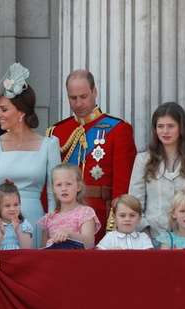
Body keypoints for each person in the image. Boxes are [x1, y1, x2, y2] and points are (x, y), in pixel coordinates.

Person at [46, 69, 137, 241]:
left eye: (84, 96)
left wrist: (116, 221)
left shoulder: (117, 129)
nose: (79, 103)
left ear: (94, 92)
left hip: (101, 215)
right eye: (73, 98)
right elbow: (48, 183)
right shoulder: (57, 132)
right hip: (63, 216)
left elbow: (123, 186)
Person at [0, 63, 61, 248]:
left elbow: (52, 195)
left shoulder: (50, 145)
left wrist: (48, 234)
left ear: (21, 112)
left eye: (4, 109)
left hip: (34, 222)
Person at [128, 102, 185, 240]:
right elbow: (135, 203)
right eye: (160, 126)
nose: (165, 131)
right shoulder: (142, 160)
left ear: (181, 128)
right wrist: (145, 234)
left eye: (171, 126)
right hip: (150, 239)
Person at [38, 163, 100, 249]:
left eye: (68, 184)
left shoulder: (85, 212)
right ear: (53, 189)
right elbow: (43, 249)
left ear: (78, 187)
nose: (64, 188)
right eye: (59, 185)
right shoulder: (48, 218)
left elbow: (89, 243)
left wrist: (69, 234)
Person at [0, 181, 33, 250]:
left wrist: (18, 230)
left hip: (18, 259)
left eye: (16, 204)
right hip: (0, 259)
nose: (12, 209)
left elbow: (27, 248)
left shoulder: (24, 224)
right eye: (7, 206)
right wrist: (1, 234)